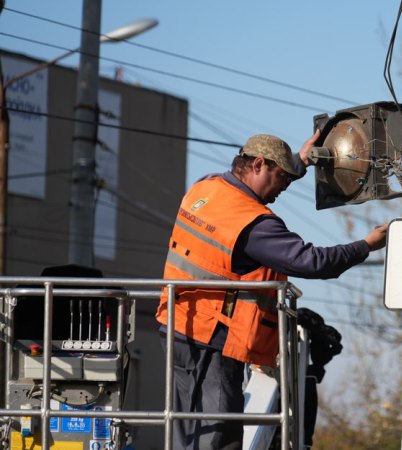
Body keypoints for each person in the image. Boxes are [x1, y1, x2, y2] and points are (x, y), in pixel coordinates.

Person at [155, 131, 388, 449]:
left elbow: (256, 189)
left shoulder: (207, 187)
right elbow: (314, 263)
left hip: (176, 326)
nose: (283, 187)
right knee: (219, 437)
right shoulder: (255, 224)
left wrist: (299, 162)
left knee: (186, 432)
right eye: (281, 177)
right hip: (212, 340)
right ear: (259, 164)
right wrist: (367, 245)